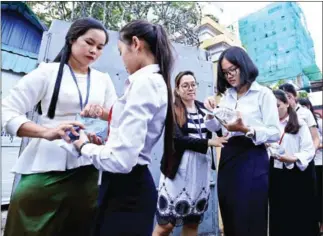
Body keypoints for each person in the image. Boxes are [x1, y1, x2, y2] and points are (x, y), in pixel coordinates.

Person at [2, 18, 117, 236]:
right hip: (44, 168)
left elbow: (117, 120)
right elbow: (6, 110)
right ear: (73, 39)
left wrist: (101, 119)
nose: (94, 50)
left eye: (100, 47)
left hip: (86, 172)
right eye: (89, 42)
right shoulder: (47, 72)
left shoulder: (103, 80)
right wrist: (46, 132)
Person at [73, 20, 174, 236]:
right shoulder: (151, 81)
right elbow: (127, 143)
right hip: (125, 187)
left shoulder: (145, 83)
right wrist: (105, 144)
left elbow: (122, 160)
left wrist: (83, 146)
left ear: (135, 43)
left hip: (128, 192)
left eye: (120, 52)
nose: (122, 60)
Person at [204, 46, 280, 236]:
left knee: (250, 213)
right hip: (229, 157)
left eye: (233, 70)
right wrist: (212, 113)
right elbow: (216, 128)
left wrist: (246, 129)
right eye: (225, 72)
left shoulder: (263, 94)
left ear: (243, 65)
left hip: (253, 156)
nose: (229, 76)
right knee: (229, 210)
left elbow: (274, 133)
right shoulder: (227, 96)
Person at [153, 71, 228, 236]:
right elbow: (178, 139)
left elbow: (220, 128)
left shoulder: (203, 108)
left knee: (192, 223)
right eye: (185, 85)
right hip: (178, 170)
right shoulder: (172, 110)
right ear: (178, 90)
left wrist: (215, 110)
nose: (190, 88)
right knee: (166, 225)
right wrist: (208, 142)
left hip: (200, 170)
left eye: (193, 84)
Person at [269, 90, 318, 236]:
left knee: (300, 215)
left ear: (286, 103)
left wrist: (294, 158)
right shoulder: (268, 125)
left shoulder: (299, 123)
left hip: (298, 173)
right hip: (276, 173)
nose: (275, 110)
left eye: (277, 105)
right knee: (279, 214)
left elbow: (309, 150)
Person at [298, 97, 323, 233]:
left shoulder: (318, 123)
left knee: (320, 195)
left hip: (319, 162)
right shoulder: (295, 123)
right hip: (306, 163)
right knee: (313, 195)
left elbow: (317, 140)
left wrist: (314, 147)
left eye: (305, 106)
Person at [279, 83, 320, 150]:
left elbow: (315, 139)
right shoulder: (281, 115)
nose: (287, 100)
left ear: (295, 96)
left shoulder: (305, 113)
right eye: (284, 98)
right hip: (286, 156)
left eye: (289, 97)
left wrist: (309, 155)